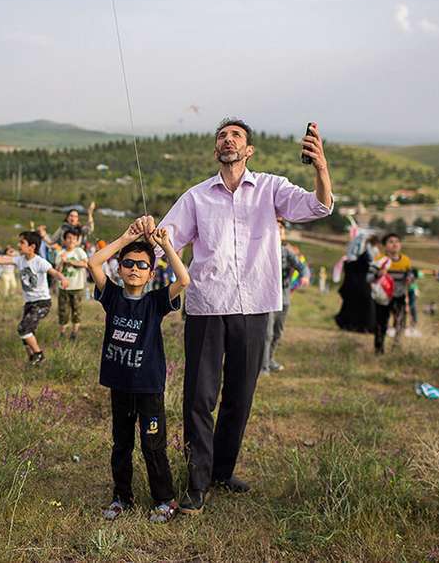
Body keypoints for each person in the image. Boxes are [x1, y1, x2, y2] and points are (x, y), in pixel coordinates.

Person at [138, 116, 332, 514]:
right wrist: (142, 243)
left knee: (240, 397)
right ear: (216, 150)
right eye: (223, 136)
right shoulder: (196, 197)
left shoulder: (271, 188)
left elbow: (318, 206)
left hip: (255, 305)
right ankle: (197, 482)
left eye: (236, 136)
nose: (228, 140)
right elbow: (164, 241)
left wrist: (321, 168)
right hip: (207, 306)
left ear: (249, 150)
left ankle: (221, 472)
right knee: (199, 397)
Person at [87, 221, 190, 524]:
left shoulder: (155, 302)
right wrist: (125, 239)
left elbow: (184, 279)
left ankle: (164, 499)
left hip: (148, 387)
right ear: (119, 269)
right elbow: (93, 263)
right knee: (121, 444)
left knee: (152, 444)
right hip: (120, 385)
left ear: (151, 273)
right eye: (128, 264)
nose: (135, 268)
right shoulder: (112, 296)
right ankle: (122, 497)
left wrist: (165, 245)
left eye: (142, 265)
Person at [0, 231, 69, 365]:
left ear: (32, 247)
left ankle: (39, 355)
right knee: (26, 334)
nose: (18, 245)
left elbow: (54, 272)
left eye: (22, 242)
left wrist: (63, 278)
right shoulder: (19, 259)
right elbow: (2, 260)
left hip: (42, 303)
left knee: (23, 329)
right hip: (29, 303)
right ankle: (32, 360)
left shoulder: (40, 262)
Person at [262, 220, 302, 375]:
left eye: (281, 228)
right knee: (267, 334)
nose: (279, 230)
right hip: (267, 297)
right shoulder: (263, 248)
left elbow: (302, 266)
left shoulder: (287, 251)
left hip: (284, 297)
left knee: (278, 332)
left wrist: (304, 276)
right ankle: (263, 367)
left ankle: (270, 360)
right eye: (276, 227)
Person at [372, 233, 412, 354]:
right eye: (391, 242)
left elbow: (410, 274)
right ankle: (379, 349)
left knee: (400, 322)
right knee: (381, 323)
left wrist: (409, 278)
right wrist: (378, 274)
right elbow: (369, 277)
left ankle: (396, 346)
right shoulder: (379, 260)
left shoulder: (405, 260)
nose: (395, 244)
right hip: (383, 298)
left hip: (399, 296)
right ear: (385, 246)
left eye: (397, 241)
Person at [334, 234, 378, 333]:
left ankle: (357, 325)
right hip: (358, 279)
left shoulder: (367, 248)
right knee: (359, 302)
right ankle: (359, 326)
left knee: (358, 302)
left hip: (357, 279)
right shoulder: (361, 245)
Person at [56, 229, 89, 341]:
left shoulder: (79, 251)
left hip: (77, 287)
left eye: (74, 238)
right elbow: (57, 271)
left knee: (76, 311)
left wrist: (69, 262)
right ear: (64, 240)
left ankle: (74, 333)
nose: (71, 240)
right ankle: (62, 333)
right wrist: (62, 261)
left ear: (77, 240)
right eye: (69, 238)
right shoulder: (60, 253)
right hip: (63, 288)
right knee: (63, 311)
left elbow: (86, 264)